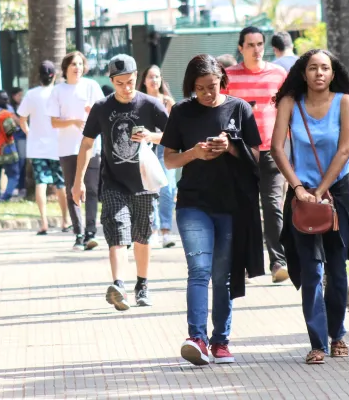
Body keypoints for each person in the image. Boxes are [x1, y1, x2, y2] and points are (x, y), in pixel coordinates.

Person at [270, 49, 349, 365]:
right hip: (301, 196)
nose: (319, 73)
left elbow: (345, 150)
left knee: (337, 268)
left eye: (325, 68)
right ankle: (317, 343)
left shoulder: (345, 102)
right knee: (310, 270)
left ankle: (338, 334)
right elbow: (277, 148)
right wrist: (299, 188)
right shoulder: (290, 103)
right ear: (303, 73)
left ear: (333, 73)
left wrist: (321, 190)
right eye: (313, 68)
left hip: (337, 194)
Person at [162, 54, 265, 366]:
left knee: (222, 276)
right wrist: (193, 153)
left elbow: (256, 156)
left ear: (222, 80)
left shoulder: (239, 109)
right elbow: (169, 159)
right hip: (193, 203)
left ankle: (221, 341)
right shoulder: (182, 112)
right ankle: (197, 338)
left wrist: (230, 147)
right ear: (191, 87)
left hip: (230, 205)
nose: (207, 93)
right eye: (200, 88)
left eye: (212, 86)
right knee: (199, 270)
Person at [73, 54, 169, 311]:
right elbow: (87, 143)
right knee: (117, 232)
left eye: (130, 82)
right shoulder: (102, 107)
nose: (126, 88)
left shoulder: (150, 105)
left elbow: (173, 135)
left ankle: (142, 285)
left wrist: (151, 136)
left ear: (137, 77)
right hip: (113, 183)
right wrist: (78, 181)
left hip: (145, 182)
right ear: (112, 81)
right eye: (120, 83)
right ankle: (119, 286)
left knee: (142, 237)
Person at [225, 27, 290, 283]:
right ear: (240, 48)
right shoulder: (229, 77)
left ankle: (279, 262)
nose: (256, 49)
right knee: (244, 208)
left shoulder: (278, 74)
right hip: (241, 152)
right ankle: (244, 263)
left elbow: (288, 109)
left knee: (273, 207)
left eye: (260, 44)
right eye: (250, 45)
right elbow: (221, 111)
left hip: (272, 151)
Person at [49, 51, 105, 250]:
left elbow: (104, 113)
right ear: (66, 67)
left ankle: (91, 232)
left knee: (91, 189)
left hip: (91, 146)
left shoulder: (92, 86)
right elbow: (54, 122)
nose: (77, 67)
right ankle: (79, 234)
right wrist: (73, 121)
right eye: (73, 64)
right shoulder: (58, 90)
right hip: (67, 148)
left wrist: (93, 113)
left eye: (80, 64)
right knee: (73, 189)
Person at [17, 61, 71, 234]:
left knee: (41, 183)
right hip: (58, 147)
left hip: (37, 148)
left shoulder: (31, 94)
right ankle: (65, 220)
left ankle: (44, 223)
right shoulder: (59, 93)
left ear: (38, 76)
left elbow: (22, 118)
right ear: (54, 76)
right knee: (60, 184)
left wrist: (29, 133)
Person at [138, 64, 177, 248]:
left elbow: (176, 129)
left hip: (165, 147)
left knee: (168, 189)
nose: (154, 80)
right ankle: (153, 230)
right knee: (150, 188)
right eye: (151, 77)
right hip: (146, 148)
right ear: (144, 81)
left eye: (157, 76)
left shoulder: (168, 102)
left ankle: (166, 231)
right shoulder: (139, 101)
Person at [8, 86, 28, 195]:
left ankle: (22, 186)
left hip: (23, 136)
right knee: (19, 162)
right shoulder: (10, 108)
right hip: (15, 137)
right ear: (13, 96)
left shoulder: (22, 106)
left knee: (23, 162)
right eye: (19, 95)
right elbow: (17, 121)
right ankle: (18, 186)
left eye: (22, 95)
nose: (21, 97)